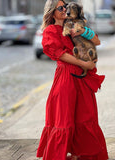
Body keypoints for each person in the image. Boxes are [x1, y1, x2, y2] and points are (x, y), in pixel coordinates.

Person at [36, 0, 109, 160]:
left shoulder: (72, 26)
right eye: (60, 8)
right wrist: (84, 64)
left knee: (85, 116)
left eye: (66, 7)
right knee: (64, 119)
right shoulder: (50, 30)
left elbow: (97, 41)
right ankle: (61, 155)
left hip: (82, 79)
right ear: (52, 12)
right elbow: (59, 54)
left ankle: (80, 154)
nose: (64, 10)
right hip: (67, 79)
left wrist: (83, 31)